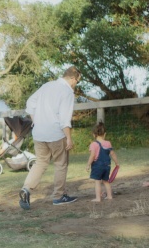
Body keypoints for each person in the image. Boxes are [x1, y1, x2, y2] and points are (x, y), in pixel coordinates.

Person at [19, 66, 81, 210]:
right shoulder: (67, 92)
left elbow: (30, 103)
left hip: (39, 133)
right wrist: (69, 138)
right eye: (77, 81)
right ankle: (59, 196)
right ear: (72, 78)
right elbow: (65, 119)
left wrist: (35, 120)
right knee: (60, 164)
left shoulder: (47, 85)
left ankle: (27, 188)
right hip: (56, 134)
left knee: (40, 163)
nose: (76, 84)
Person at [86, 122, 120, 202]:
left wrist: (88, 164)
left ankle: (98, 198)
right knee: (106, 181)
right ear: (104, 134)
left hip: (97, 166)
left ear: (94, 134)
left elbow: (92, 155)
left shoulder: (93, 144)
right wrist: (117, 163)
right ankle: (109, 196)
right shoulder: (108, 143)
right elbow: (112, 154)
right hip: (107, 166)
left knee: (97, 182)